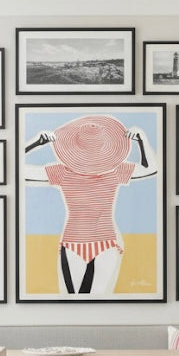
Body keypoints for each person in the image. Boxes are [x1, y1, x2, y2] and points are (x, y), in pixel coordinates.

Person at [24, 114, 157, 294]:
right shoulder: (115, 171)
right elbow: (151, 168)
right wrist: (141, 141)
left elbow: (17, 168)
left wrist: (35, 144)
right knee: (92, 301)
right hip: (102, 242)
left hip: (75, 242)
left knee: (76, 300)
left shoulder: (62, 172)